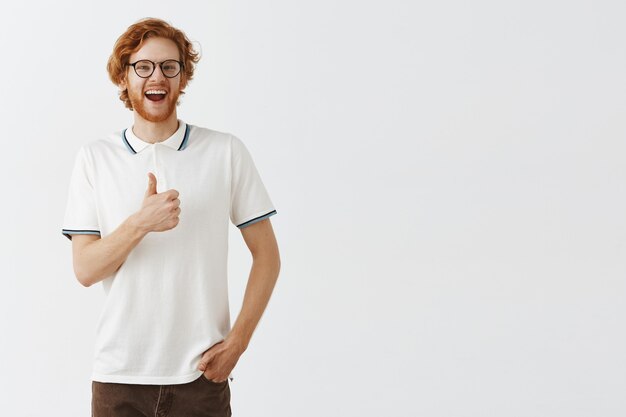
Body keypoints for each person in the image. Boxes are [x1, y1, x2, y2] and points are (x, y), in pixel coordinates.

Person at [61, 17, 281, 417]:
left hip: (201, 377)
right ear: (124, 78)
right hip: (118, 379)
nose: (156, 76)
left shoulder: (225, 152)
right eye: (142, 66)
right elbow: (86, 269)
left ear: (182, 78)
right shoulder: (95, 158)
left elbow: (267, 256)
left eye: (169, 66)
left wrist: (238, 343)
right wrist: (140, 223)